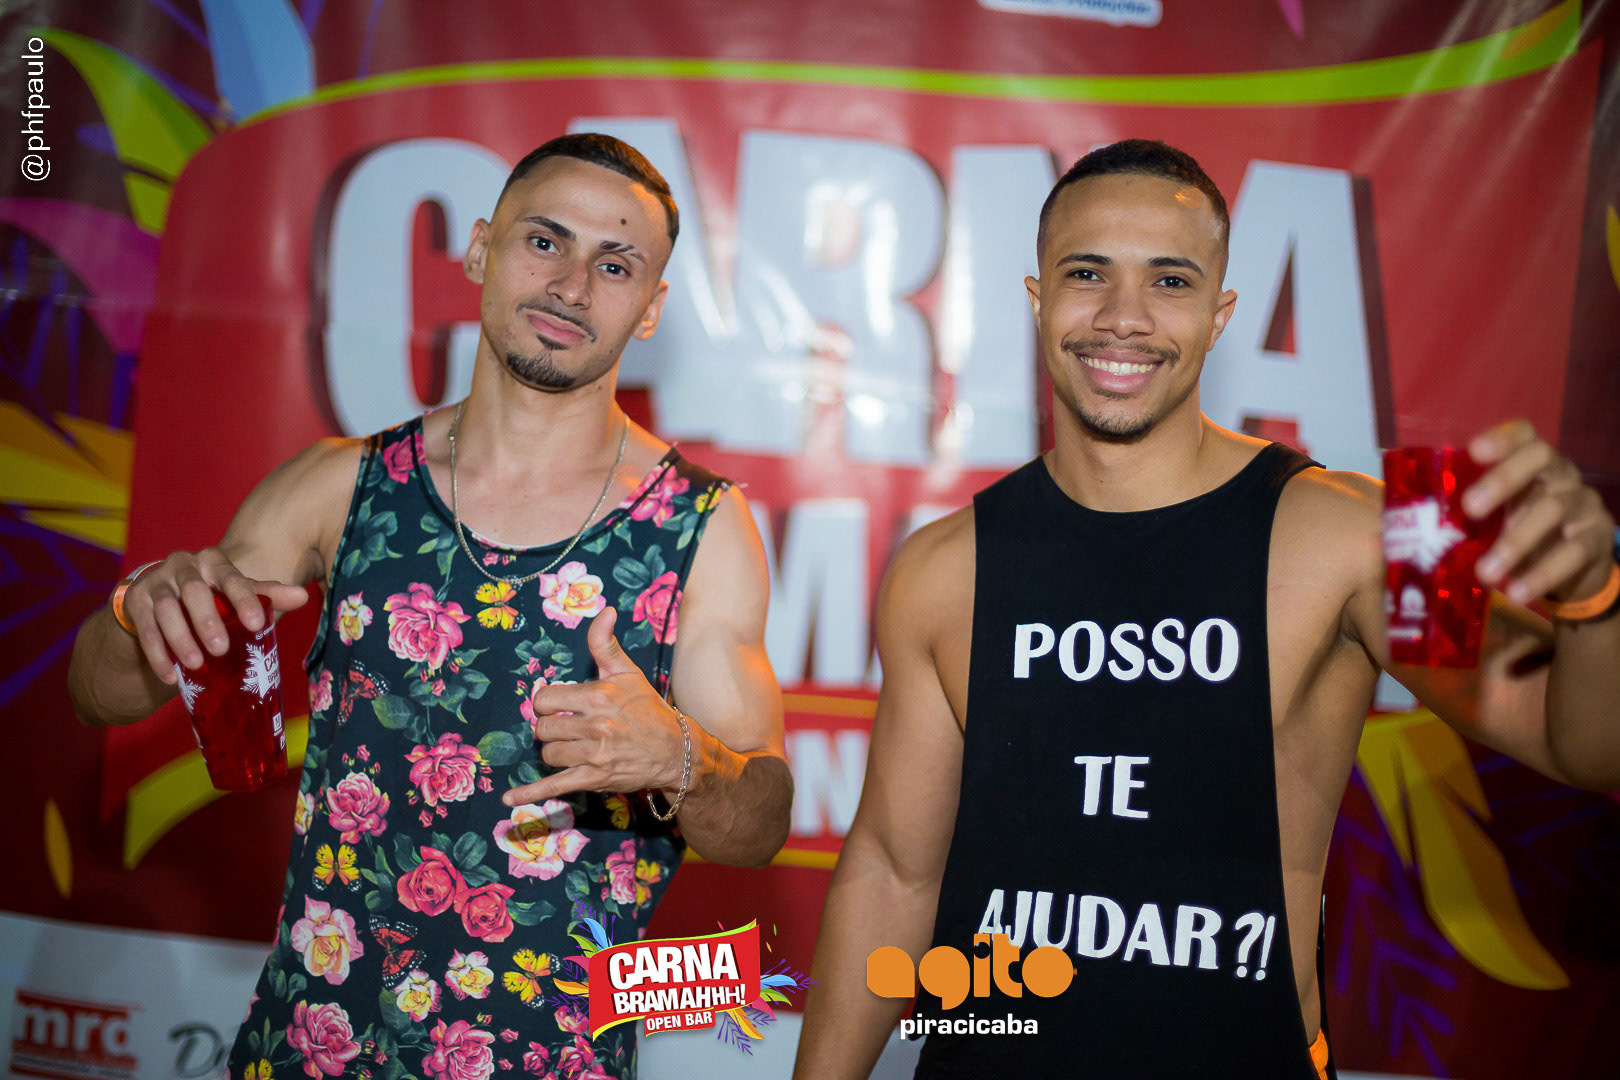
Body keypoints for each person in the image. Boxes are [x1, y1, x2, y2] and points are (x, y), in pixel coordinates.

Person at [791, 139, 1620, 1080]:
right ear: (1037, 299)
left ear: (1221, 315)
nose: (1124, 317)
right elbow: (893, 869)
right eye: (1087, 274)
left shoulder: (1370, 531)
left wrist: (1597, 599)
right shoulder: (941, 567)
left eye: (1171, 281)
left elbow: (1583, 747)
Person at [68, 133, 791, 1080]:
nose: (572, 286)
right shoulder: (339, 485)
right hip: (307, 1052)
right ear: (481, 250)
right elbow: (101, 695)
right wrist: (140, 613)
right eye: (545, 241)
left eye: (615, 265)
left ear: (650, 307)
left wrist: (682, 757)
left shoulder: (700, 527)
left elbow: (761, 824)